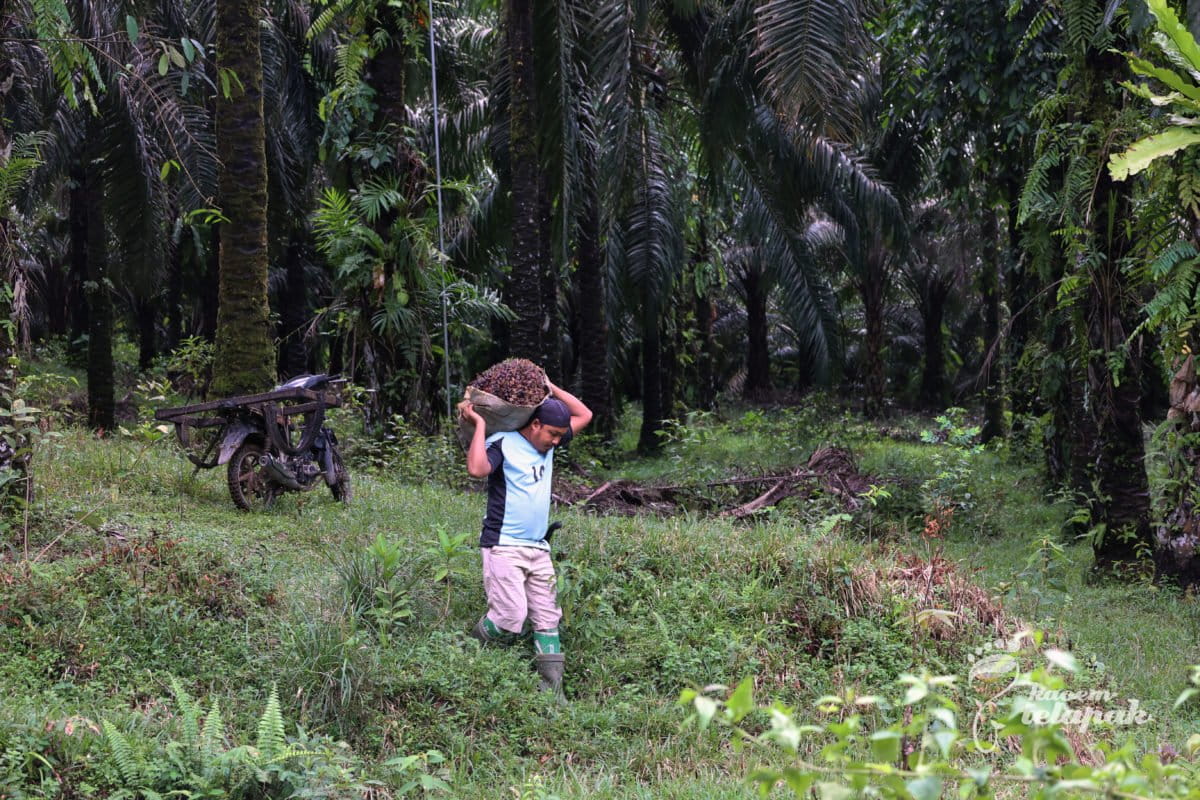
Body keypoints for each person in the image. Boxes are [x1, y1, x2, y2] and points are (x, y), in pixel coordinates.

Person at [460, 380, 592, 697]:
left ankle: (553, 692)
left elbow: (584, 413)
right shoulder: (503, 443)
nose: (557, 442)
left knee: (548, 619)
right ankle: (467, 652)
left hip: (538, 548)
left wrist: (550, 387)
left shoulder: (549, 442)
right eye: (552, 435)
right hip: (503, 546)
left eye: (561, 436)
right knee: (510, 617)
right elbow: (477, 469)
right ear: (535, 425)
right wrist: (479, 424)